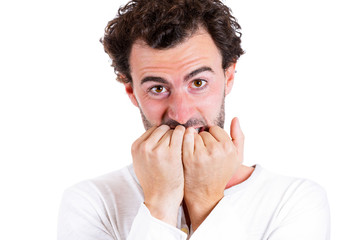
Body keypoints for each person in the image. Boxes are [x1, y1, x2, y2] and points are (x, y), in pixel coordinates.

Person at [57, 0, 330, 239]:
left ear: (229, 77)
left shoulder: (295, 202)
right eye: (158, 88)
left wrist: (206, 201)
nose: (181, 114)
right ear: (132, 91)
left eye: (198, 82)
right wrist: (160, 202)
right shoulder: (90, 203)